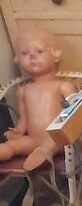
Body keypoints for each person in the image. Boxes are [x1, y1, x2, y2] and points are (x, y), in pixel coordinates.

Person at [0, 28, 75, 170]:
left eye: (39, 51)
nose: (32, 56)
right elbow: (24, 119)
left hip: (58, 138)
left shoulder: (62, 86)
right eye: (24, 53)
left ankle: (43, 153)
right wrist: (18, 131)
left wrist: (63, 128)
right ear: (17, 59)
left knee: (51, 143)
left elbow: (75, 112)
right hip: (33, 140)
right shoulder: (23, 90)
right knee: (12, 146)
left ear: (55, 55)